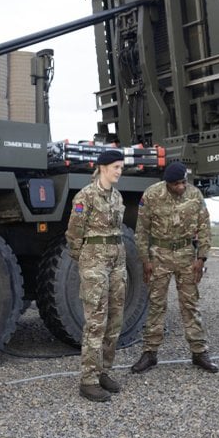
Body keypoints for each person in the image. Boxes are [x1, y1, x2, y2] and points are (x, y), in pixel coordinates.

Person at [130, 161, 219, 374]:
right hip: (159, 255)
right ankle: (150, 353)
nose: (181, 187)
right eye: (176, 184)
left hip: (187, 255)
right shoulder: (152, 195)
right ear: (167, 183)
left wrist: (202, 258)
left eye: (183, 182)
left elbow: (205, 227)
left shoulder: (194, 195)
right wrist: (145, 260)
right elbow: (142, 230)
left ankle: (199, 352)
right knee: (156, 305)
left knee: (190, 304)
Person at [65, 149, 127, 402]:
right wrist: (84, 260)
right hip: (94, 262)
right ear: (103, 168)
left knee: (115, 319)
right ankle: (88, 380)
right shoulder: (86, 196)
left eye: (121, 167)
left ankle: (104, 371)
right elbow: (73, 232)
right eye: (116, 167)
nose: (119, 172)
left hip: (116, 261)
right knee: (96, 321)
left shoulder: (118, 197)